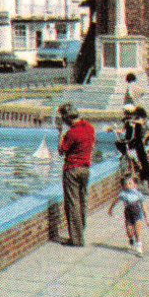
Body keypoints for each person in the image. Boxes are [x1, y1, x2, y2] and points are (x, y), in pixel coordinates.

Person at [56, 103, 95, 247]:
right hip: (85, 168)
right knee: (82, 201)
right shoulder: (90, 128)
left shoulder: (71, 133)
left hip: (72, 169)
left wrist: (60, 132)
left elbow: (61, 151)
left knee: (72, 204)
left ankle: (76, 239)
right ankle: (80, 230)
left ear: (66, 118)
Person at [106, 172, 148, 255]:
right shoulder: (123, 194)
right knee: (129, 231)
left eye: (131, 182)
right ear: (124, 186)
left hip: (137, 213)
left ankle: (139, 248)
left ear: (134, 183)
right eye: (127, 183)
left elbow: (143, 205)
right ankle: (130, 238)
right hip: (128, 213)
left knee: (137, 231)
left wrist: (147, 218)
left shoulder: (138, 193)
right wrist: (111, 209)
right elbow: (115, 201)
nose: (129, 184)